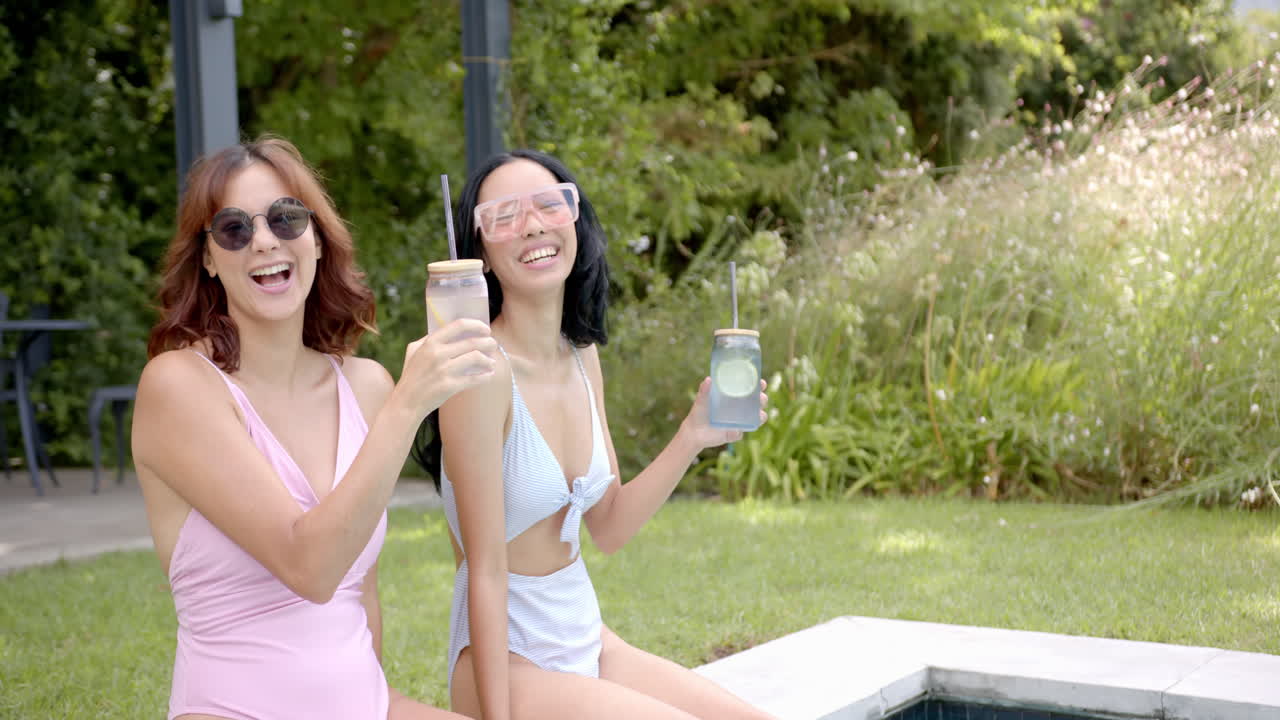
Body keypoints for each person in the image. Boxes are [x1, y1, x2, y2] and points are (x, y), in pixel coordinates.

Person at [132, 135, 496, 720]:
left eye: (286, 218)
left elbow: (359, 594)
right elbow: (311, 568)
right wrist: (408, 407)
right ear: (207, 258)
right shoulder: (178, 387)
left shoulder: (368, 386)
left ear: (318, 240)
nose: (265, 241)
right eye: (234, 229)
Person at [412, 149, 774, 720]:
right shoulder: (479, 372)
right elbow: (483, 568)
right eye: (503, 216)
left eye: (550, 205)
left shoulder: (582, 356)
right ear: (479, 249)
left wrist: (692, 434)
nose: (531, 225)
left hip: (584, 635)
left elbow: (607, 526)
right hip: (511, 662)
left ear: (574, 221)